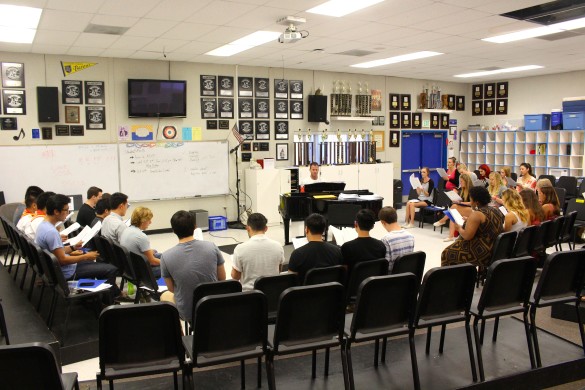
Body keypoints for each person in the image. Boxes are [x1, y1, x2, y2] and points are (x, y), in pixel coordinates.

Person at [35, 194, 120, 302]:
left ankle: (98, 299)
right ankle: (108, 303)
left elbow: (57, 251)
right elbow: (63, 260)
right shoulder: (51, 232)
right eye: (66, 210)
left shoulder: (43, 226)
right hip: (66, 272)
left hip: (59, 270)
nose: (68, 213)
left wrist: (73, 248)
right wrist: (85, 256)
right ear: (56, 211)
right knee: (110, 269)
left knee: (98, 265)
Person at [160, 210, 226, 322]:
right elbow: (222, 277)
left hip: (188, 313)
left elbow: (172, 289)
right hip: (213, 306)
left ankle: (179, 335)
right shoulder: (212, 247)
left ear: (173, 230)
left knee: (164, 296)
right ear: (195, 227)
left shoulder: (165, 257)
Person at [441, 186, 504, 267]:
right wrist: (469, 220)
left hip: (482, 253)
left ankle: (452, 278)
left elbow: (467, 236)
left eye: (471, 200)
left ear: (476, 202)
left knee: (446, 253)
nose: (470, 203)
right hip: (495, 249)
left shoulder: (477, 214)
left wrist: (459, 228)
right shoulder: (495, 210)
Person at [231, 213, 284, 291]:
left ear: (248, 228)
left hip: (250, 296)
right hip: (272, 294)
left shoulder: (240, 249)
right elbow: (279, 270)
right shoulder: (278, 246)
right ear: (266, 228)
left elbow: (235, 277)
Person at [288, 213, 343, 282]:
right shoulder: (337, 251)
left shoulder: (297, 254)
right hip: (330, 291)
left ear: (306, 229)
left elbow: (290, 280)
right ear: (324, 230)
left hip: (306, 292)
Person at [341, 209, 386, 276]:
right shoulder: (381, 245)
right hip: (375, 284)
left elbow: (344, 272)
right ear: (373, 226)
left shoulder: (347, 247)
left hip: (354, 285)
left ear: (356, 224)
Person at [120, 206, 161, 278]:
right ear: (143, 221)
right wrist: (167, 264)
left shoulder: (126, 230)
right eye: (149, 220)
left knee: (161, 255)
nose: (150, 222)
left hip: (129, 267)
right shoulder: (141, 236)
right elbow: (152, 261)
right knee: (171, 267)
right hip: (141, 272)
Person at [434, 173, 474, 242]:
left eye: (462, 181)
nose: (460, 183)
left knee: (454, 207)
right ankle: (451, 236)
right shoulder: (461, 189)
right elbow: (460, 200)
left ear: (466, 181)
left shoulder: (472, 190)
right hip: (463, 208)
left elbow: (472, 203)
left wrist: (461, 203)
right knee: (453, 214)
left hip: (472, 210)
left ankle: (443, 220)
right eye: (460, 182)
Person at [378, 206, 414, 272]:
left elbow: (386, 266)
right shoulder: (410, 236)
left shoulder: (386, 239)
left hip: (392, 278)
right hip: (406, 275)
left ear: (383, 222)